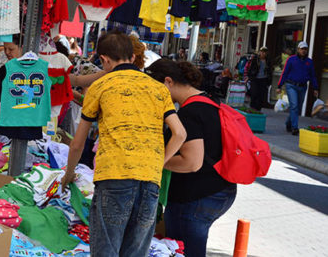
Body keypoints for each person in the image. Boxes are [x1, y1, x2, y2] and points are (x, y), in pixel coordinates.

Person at [62, 33, 187, 257]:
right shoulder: (158, 89)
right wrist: (158, 164)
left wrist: (68, 174)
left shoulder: (101, 86)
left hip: (114, 177)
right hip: (149, 180)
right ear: (132, 56)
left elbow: (77, 144)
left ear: (104, 60)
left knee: (106, 251)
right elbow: (179, 133)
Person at [146, 59, 237, 257]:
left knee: (184, 251)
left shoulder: (190, 113)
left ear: (168, 82)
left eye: (155, 89)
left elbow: (191, 162)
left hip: (196, 197)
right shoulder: (209, 100)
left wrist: (153, 162)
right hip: (221, 188)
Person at [277, 41, 319, 135]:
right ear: (298, 49)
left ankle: (289, 123)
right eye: (302, 49)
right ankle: (294, 128)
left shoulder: (309, 62)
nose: (303, 51)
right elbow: (285, 73)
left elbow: (313, 76)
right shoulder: (291, 60)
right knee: (294, 106)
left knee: (297, 108)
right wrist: (279, 85)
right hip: (291, 85)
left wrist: (315, 88)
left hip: (303, 87)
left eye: (305, 49)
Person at [246, 47, 273, 111]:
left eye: (265, 52)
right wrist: (249, 77)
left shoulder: (268, 60)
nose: (263, 53)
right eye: (262, 52)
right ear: (259, 52)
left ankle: (258, 108)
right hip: (255, 78)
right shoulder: (255, 59)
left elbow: (270, 71)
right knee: (254, 93)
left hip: (264, 79)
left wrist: (269, 81)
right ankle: (252, 107)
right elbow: (251, 69)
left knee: (261, 94)